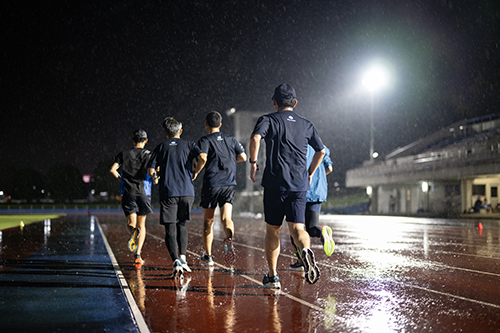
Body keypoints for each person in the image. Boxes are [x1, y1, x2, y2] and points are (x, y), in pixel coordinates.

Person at [249, 83, 326, 289]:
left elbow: (256, 138)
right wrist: (310, 173)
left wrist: (253, 163)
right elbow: (321, 151)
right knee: (298, 229)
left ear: (274, 101)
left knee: (273, 231)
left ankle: (273, 277)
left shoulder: (268, 120)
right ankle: (306, 252)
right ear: (295, 102)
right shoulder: (306, 124)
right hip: (299, 185)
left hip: (275, 183)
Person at [147, 117, 207, 279]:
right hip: (187, 192)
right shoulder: (189, 145)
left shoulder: (161, 147)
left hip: (168, 191)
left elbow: (151, 171)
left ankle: (175, 261)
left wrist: (156, 177)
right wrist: (196, 172)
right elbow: (203, 157)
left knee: (170, 228)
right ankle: (183, 258)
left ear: (165, 132)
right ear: (180, 131)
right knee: (182, 225)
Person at [197, 111, 247, 266]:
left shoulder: (205, 140)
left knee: (208, 221)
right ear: (220, 124)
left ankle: (208, 256)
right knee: (226, 219)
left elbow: (203, 158)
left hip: (212, 184)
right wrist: (230, 163)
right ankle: (229, 239)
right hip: (229, 184)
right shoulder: (231, 139)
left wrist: (195, 171)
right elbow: (243, 157)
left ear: (206, 124)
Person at [110, 129, 155, 268]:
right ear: (146, 140)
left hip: (128, 193)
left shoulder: (124, 154)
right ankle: (137, 255)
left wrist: (122, 180)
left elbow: (112, 170)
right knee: (142, 225)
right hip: (144, 192)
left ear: (132, 140)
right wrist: (155, 177)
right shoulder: (149, 155)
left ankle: (132, 231)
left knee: (131, 223)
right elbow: (152, 172)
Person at [290, 145, 335, 270]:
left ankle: (301, 259)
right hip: (317, 190)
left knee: (295, 228)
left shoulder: (298, 144)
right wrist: (317, 177)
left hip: (301, 190)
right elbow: (329, 168)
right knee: (311, 227)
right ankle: (321, 231)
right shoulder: (322, 147)